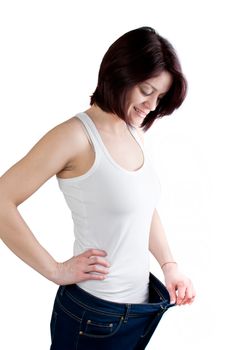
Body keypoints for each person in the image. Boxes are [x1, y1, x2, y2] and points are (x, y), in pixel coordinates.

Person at [0, 26, 196, 349]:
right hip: (93, 317)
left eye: (159, 96)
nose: (151, 104)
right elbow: (3, 198)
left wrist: (169, 266)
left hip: (141, 311)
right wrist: (55, 270)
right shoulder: (74, 137)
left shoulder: (134, 132)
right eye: (146, 90)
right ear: (120, 74)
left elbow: (142, 208)